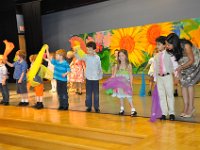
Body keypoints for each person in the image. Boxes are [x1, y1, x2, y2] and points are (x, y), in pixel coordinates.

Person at [166, 34, 200, 118]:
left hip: (195, 61)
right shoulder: (173, 49)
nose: (167, 46)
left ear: (174, 43)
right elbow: (176, 62)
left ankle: (191, 108)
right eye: (166, 44)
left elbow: (192, 60)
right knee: (183, 83)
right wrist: (178, 74)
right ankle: (186, 107)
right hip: (184, 62)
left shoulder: (186, 45)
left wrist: (181, 67)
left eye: (168, 44)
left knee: (189, 83)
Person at [154, 36, 179, 121]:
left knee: (170, 95)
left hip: (168, 76)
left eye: (159, 44)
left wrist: (176, 76)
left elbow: (175, 65)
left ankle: (171, 113)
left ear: (164, 45)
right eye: (157, 44)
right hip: (159, 77)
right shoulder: (156, 56)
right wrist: (155, 79)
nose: (157, 46)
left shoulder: (170, 54)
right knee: (161, 96)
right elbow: (155, 68)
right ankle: (164, 113)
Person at [74, 41, 102, 113]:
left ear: (94, 50)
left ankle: (96, 107)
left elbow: (99, 67)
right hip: (89, 78)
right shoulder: (86, 56)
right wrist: (76, 52)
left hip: (95, 78)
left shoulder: (97, 58)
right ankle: (88, 106)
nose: (88, 51)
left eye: (89, 49)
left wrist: (100, 74)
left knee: (96, 94)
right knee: (88, 93)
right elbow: (78, 57)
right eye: (87, 49)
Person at [112, 49, 137, 116]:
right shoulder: (117, 65)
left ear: (126, 56)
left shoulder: (128, 65)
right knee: (121, 96)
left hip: (126, 84)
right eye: (119, 56)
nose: (120, 57)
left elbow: (131, 75)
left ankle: (133, 109)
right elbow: (114, 75)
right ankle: (122, 108)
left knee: (129, 96)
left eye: (122, 55)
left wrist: (131, 85)